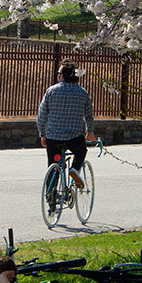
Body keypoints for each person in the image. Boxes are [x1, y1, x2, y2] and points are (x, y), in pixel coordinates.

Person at [37, 59, 95, 189]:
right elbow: (88, 115)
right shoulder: (82, 93)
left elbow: (41, 115)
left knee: (53, 163)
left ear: (62, 76)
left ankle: (51, 199)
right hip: (74, 137)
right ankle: (74, 169)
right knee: (80, 152)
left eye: (59, 73)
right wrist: (89, 131)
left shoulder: (51, 91)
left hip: (53, 137)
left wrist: (43, 134)